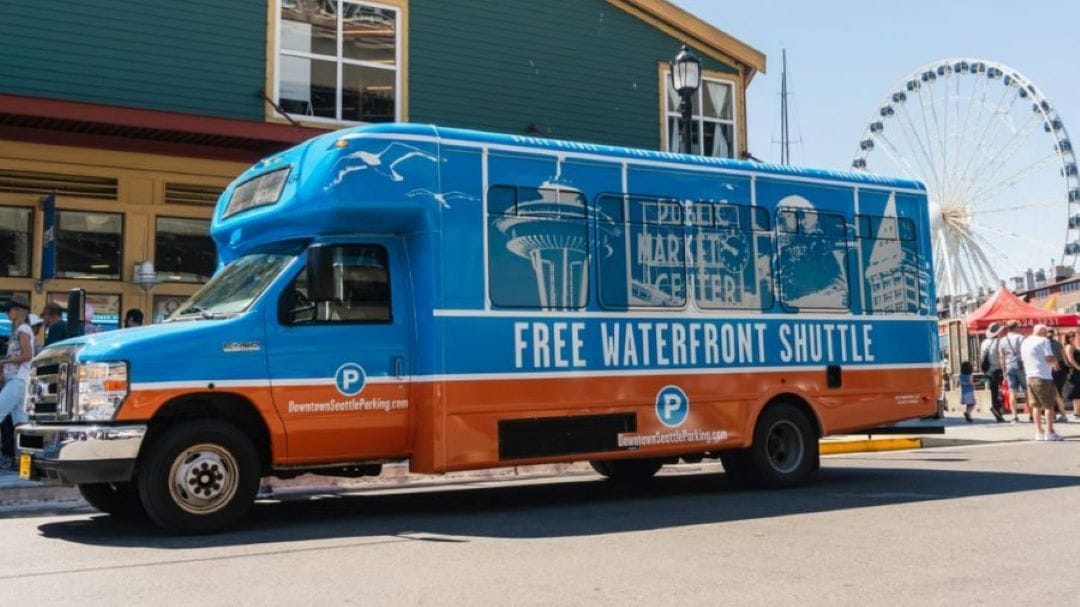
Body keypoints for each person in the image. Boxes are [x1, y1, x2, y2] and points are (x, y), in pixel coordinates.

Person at [0, 294, 34, 470]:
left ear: (19, 311)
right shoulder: (20, 329)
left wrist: (3, 362)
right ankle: (26, 465)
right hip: (18, 380)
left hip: (18, 379)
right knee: (21, 425)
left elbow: (28, 355)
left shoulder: (23, 330)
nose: (7, 312)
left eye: (10, 309)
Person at [1021, 324, 1063, 441]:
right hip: (1043, 376)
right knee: (1049, 406)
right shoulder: (1044, 341)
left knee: (1036, 406)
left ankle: (1039, 432)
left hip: (1030, 376)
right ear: (1043, 332)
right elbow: (1049, 358)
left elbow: (1023, 358)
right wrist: (1055, 363)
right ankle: (1049, 432)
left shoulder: (1025, 341)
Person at [998, 320, 1027, 423]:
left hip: (1009, 366)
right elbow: (1026, 353)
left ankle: (1014, 416)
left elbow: (1002, 357)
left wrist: (1003, 371)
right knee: (1026, 390)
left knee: (1012, 391)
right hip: (1021, 366)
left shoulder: (1002, 340)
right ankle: (1032, 414)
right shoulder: (1021, 338)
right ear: (1016, 327)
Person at [979, 322, 1007, 422]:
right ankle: (998, 409)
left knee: (994, 391)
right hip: (998, 369)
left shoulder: (984, 343)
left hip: (988, 371)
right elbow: (1001, 357)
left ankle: (997, 410)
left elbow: (982, 358)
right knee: (1002, 390)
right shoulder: (999, 342)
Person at [1046, 329, 1070, 423]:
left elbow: (1052, 357)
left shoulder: (1045, 343)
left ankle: (1056, 415)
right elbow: (1064, 356)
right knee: (1058, 392)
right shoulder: (1058, 343)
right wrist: (1067, 367)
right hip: (1061, 368)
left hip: (1053, 368)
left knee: (1054, 393)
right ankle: (1057, 414)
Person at [1064, 331, 1080, 419]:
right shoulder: (1069, 346)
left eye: (1073, 336)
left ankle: (1077, 412)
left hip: (1076, 371)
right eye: (1069, 336)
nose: (1072, 338)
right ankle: (1077, 413)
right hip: (1075, 372)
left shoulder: (1074, 346)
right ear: (1066, 338)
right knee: (1077, 392)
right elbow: (1070, 360)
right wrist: (1078, 368)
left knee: (1078, 391)